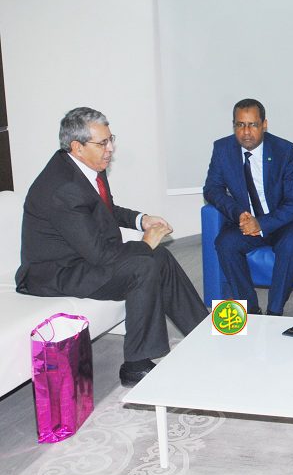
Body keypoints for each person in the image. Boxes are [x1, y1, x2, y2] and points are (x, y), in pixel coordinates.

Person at [16, 107, 209, 386]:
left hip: (82, 257)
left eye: (111, 139)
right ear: (77, 147)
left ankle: (203, 333)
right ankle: (135, 364)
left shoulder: (86, 166)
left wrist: (141, 220)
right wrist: (145, 243)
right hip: (56, 272)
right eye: (103, 143)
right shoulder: (63, 187)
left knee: (160, 256)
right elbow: (100, 255)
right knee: (143, 265)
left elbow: (104, 209)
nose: (110, 149)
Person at [203, 98, 293, 316]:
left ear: (264, 125)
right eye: (240, 125)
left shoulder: (284, 150)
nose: (246, 132)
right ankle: (250, 310)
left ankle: (274, 312)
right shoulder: (223, 149)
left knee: (290, 245)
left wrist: (261, 224)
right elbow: (212, 189)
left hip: (286, 221)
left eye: (252, 125)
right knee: (225, 243)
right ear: (233, 125)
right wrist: (238, 214)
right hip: (247, 221)